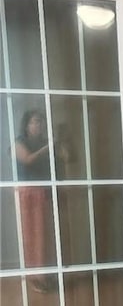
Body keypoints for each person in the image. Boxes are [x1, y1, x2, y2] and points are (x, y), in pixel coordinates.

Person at [14, 109, 56, 293]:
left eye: (40, 122)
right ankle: (33, 276)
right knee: (29, 234)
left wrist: (59, 144)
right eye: (33, 122)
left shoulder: (44, 141)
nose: (37, 125)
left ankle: (43, 274)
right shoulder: (19, 142)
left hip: (41, 191)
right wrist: (48, 148)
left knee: (43, 235)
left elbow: (67, 157)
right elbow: (27, 159)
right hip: (26, 192)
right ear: (26, 124)